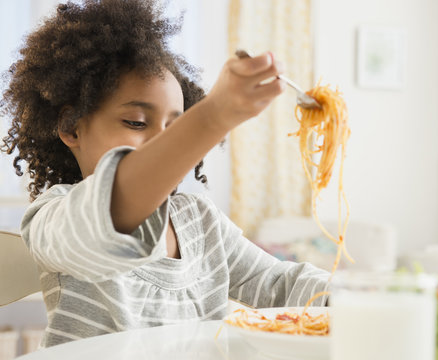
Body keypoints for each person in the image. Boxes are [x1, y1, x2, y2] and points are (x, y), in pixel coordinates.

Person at [1, 0, 329, 348]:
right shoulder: (54, 218)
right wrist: (210, 117)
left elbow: (282, 284)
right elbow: (108, 213)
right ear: (71, 127)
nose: (164, 142)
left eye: (175, 127)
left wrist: (361, 297)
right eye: (137, 123)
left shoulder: (200, 221)